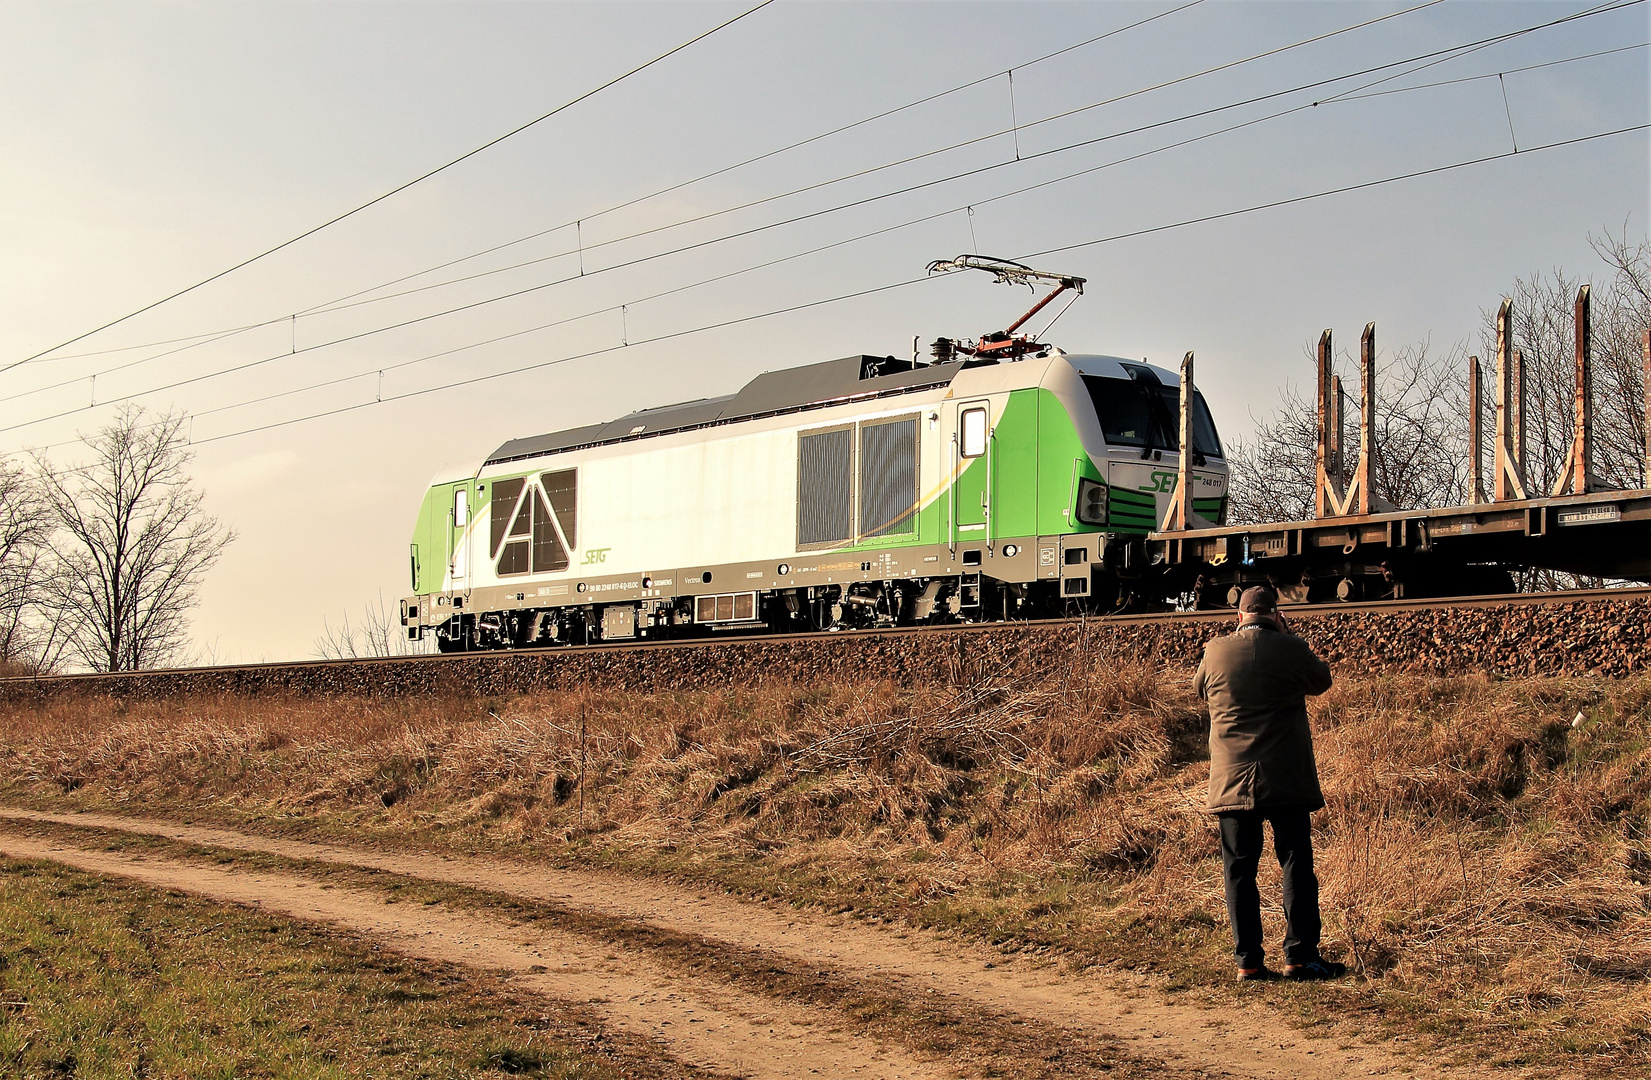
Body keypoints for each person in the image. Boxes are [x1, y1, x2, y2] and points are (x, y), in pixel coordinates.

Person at [1194, 585, 1345, 982]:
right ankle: (1300, 956)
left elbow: (1199, 689)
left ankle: (1249, 961)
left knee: (1239, 870)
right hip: (1285, 779)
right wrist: (1290, 636)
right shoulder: (1291, 647)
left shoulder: (1215, 651)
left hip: (1231, 781)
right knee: (1295, 864)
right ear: (1276, 614)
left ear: (1239, 615)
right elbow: (1322, 680)